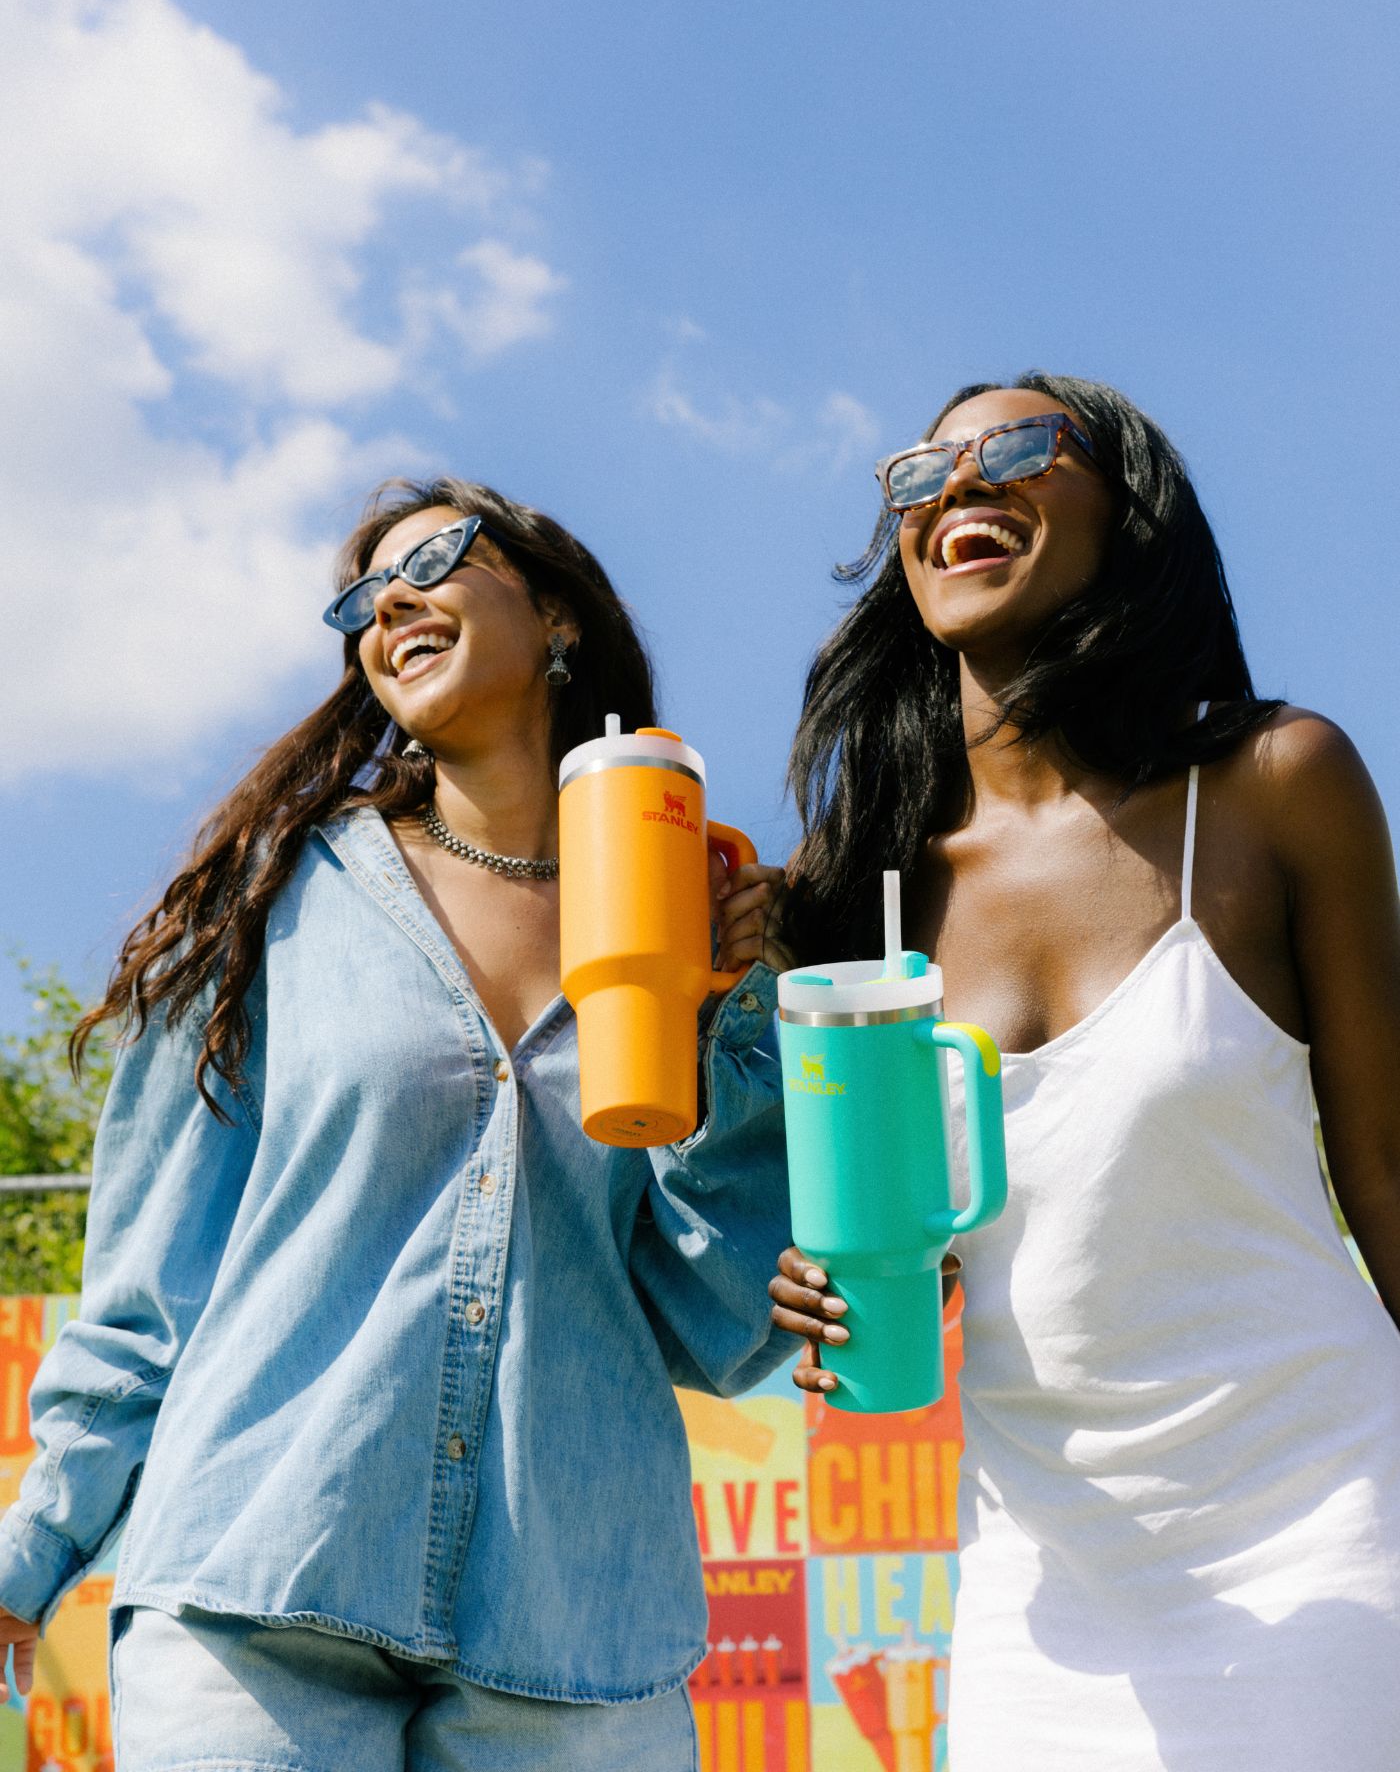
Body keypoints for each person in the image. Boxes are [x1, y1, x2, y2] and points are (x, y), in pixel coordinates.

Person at [0, 478, 794, 1770]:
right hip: (256, 1589)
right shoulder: (266, 907)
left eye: (430, 558)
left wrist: (723, 1033)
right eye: (362, 597)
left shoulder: (697, 914)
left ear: (557, 616)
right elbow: (147, 1292)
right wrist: (32, 1547)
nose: (390, 603)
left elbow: (717, 1321)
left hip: (577, 1632)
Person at [769, 375, 1400, 1769]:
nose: (959, 485)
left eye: (1014, 448)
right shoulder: (855, 910)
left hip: (1325, 1531)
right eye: (924, 471)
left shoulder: (1276, 784)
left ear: (1128, 507)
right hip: (1034, 1598)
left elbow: (1390, 1173)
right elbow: (852, 1232)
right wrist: (816, 1286)